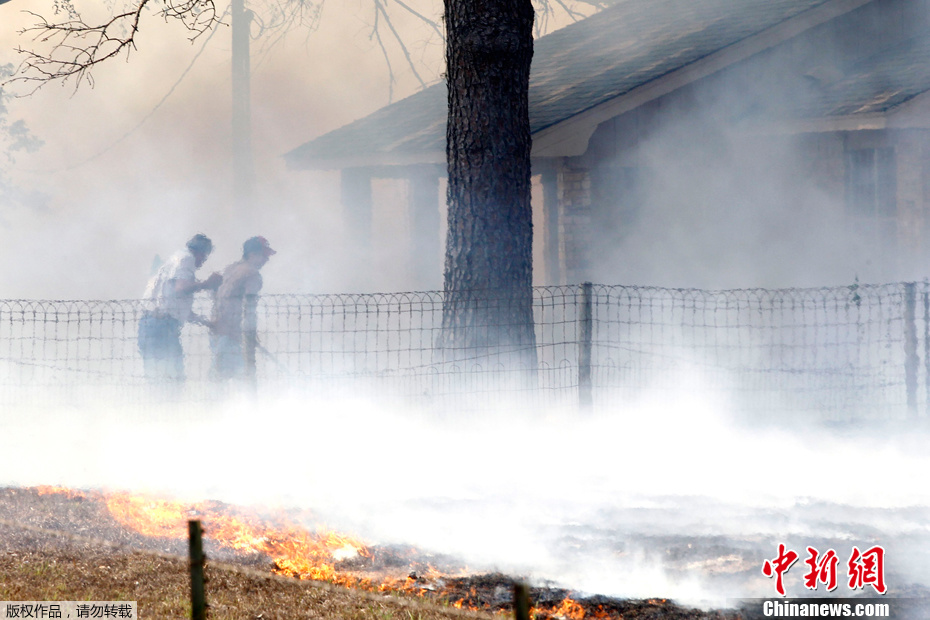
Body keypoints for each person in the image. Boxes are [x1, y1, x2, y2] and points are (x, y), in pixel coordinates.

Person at [138, 234, 222, 383]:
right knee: (171, 378)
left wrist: (207, 323)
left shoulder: (176, 259)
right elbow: (180, 288)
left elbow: (176, 306)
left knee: (158, 376)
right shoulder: (186, 259)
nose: (203, 261)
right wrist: (206, 284)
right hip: (161, 326)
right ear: (201, 253)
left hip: (153, 324)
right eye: (205, 256)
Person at [210, 236, 276, 381]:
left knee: (220, 375)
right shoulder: (252, 274)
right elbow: (250, 307)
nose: (266, 260)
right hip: (231, 332)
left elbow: (214, 291)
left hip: (216, 328)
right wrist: (250, 332)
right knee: (238, 376)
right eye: (264, 256)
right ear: (252, 255)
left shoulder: (230, 268)